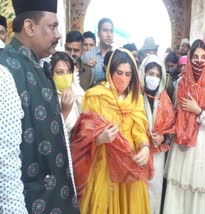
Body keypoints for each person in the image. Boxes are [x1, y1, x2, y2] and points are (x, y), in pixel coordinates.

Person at [0, 0, 79, 212]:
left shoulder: (41, 65)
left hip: (56, 198)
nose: (59, 34)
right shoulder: (5, 72)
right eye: (52, 27)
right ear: (30, 27)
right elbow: (4, 163)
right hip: (28, 203)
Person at [71, 48, 152, 213]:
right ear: (109, 71)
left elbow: (139, 129)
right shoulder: (95, 96)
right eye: (119, 72)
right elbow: (83, 135)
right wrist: (100, 138)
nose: (123, 78)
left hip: (130, 165)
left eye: (128, 74)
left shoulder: (134, 99)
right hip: (104, 167)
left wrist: (144, 146)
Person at [163, 39, 205, 214]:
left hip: (201, 146)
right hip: (180, 146)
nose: (199, 61)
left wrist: (198, 112)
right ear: (189, 59)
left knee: (196, 191)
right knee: (177, 190)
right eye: (195, 57)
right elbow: (174, 113)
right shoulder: (181, 83)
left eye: (203, 57)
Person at [139, 55, 175, 214]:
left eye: (157, 75)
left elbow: (172, 129)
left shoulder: (165, 99)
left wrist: (163, 137)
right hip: (138, 152)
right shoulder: (135, 96)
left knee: (154, 192)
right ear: (143, 74)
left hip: (158, 154)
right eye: (150, 74)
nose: (153, 78)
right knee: (138, 191)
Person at [50, 51, 84, 138]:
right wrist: (65, 111)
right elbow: (50, 134)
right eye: (59, 72)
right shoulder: (47, 98)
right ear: (51, 74)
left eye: (68, 72)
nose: (65, 76)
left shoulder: (77, 93)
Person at [82, 18, 114, 84]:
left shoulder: (117, 56)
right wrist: (86, 68)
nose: (109, 35)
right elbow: (82, 82)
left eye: (111, 31)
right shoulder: (87, 56)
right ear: (98, 34)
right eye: (105, 30)